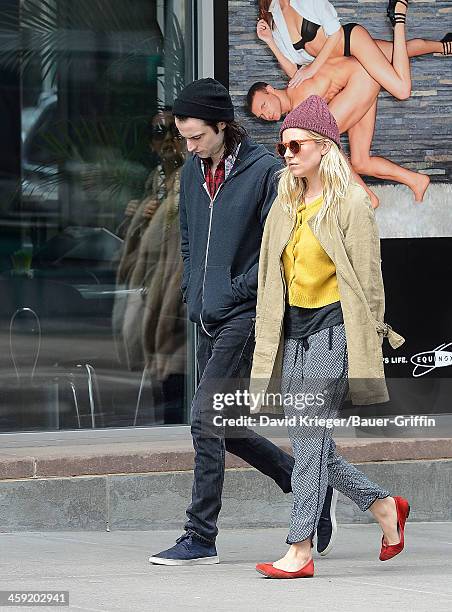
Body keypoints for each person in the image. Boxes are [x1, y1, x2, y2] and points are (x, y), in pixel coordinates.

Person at [148, 78, 339, 566]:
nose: (189, 147)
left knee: (204, 418)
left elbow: (282, 247)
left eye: (197, 137)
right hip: (208, 313)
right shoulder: (193, 171)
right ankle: (305, 482)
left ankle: (201, 535)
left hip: (246, 313)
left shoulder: (266, 173)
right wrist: (194, 290)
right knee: (225, 425)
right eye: (183, 137)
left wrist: (232, 291)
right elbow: (188, 239)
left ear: (222, 125)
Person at [249, 95, 409, 579]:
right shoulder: (287, 200)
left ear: (323, 146)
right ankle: (383, 505)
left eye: (295, 145)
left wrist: (370, 341)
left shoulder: (351, 202)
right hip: (294, 330)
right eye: (283, 148)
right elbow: (270, 274)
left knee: (310, 440)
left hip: (335, 330)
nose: (288, 154)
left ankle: (300, 548)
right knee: (311, 440)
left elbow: (370, 280)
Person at [246, 55, 431, 204]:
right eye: (261, 116)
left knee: (324, 142)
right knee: (360, 162)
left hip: (361, 78)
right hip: (361, 83)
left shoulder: (297, 92)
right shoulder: (296, 109)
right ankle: (416, 181)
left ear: (270, 90)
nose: (266, 114)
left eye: (263, 106)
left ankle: (367, 199)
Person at [257, 0, 450, 99]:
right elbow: (295, 73)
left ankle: (398, 15)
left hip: (351, 41)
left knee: (401, 90)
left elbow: (336, 32)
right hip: (345, 65)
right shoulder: (275, 20)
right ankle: (444, 46)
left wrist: (313, 68)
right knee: (400, 50)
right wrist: (269, 41)